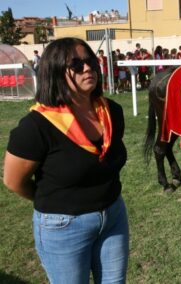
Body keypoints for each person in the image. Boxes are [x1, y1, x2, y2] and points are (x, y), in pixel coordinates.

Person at [2, 37, 129, 283]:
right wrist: (57, 206)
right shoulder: (37, 126)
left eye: (90, 60)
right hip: (64, 227)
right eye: (76, 64)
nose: (88, 68)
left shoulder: (112, 111)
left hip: (113, 216)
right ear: (56, 71)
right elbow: (13, 181)